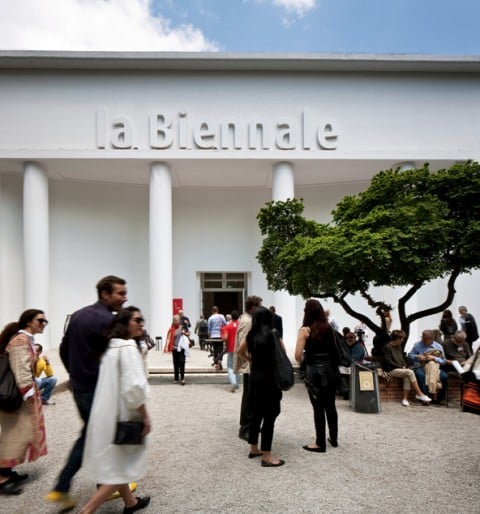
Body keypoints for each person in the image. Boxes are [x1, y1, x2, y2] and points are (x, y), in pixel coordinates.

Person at [46, 275, 129, 510]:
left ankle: (108, 484)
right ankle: (63, 487)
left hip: (80, 387)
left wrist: (75, 373)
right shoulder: (109, 321)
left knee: (95, 435)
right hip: (98, 390)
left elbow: (63, 348)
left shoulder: (79, 315)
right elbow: (115, 359)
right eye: (120, 293)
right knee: (94, 436)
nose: (124, 297)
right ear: (105, 294)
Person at [80, 307, 151, 514]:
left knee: (117, 462)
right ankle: (87, 511)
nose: (141, 323)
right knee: (120, 469)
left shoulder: (111, 347)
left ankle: (131, 503)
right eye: (137, 320)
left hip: (105, 414)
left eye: (142, 319)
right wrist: (145, 416)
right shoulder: (128, 348)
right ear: (125, 323)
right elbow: (134, 387)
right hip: (124, 416)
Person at [0, 309, 48, 495]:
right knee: (14, 435)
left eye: (45, 321)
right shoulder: (20, 341)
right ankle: (2, 478)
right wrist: (29, 397)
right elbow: (21, 371)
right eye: (40, 320)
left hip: (21, 397)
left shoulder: (25, 340)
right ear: (28, 321)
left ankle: (7, 471)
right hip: (18, 399)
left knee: (20, 434)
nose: (44, 323)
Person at [238, 306, 284, 467]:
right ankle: (267, 455)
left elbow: (239, 351)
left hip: (255, 378)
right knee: (270, 415)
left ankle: (254, 448)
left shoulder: (251, 335)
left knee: (256, 413)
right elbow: (283, 353)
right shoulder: (273, 334)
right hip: (270, 378)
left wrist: (250, 359)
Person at [295, 299, 339, 453]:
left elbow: (298, 354)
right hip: (330, 370)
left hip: (314, 372)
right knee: (331, 405)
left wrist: (303, 364)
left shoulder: (305, 330)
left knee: (318, 407)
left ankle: (320, 443)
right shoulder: (329, 328)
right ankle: (333, 438)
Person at [233, 295, 262, 441]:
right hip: (249, 365)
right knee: (249, 397)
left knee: (251, 396)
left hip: (250, 364)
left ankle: (250, 424)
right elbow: (242, 346)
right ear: (253, 307)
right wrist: (250, 359)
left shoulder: (248, 319)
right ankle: (245, 427)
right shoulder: (247, 321)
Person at [382, 330, 432, 406]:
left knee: (407, 376)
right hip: (390, 369)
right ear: (398, 338)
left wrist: (404, 365)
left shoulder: (399, 346)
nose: (403, 340)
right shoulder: (387, 347)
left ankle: (405, 399)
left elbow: (402, 358)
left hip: (400, 369)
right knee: (410, 372)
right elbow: (388, 361)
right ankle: (420, 394)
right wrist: (401, 367)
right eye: (402, 338)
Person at [408, 330, 448, 402]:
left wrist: (434, 358)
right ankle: (425, 397)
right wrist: (418, 356)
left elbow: (444, 361)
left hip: (435, 367)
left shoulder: (438, 346)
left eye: (425, 338)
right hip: (421, 366)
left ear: (431, 338)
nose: (422, 339)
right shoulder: (417, 345)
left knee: (444, 376)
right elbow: (410, 355)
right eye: (422, 337)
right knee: (420, 375)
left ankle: (440, 399)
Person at [164, 314, 190, 385]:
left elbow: (188, 334)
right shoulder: (171, 329)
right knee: (176, 363)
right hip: (175, 348)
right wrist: (167, 347)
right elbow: (168, 338)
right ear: (173, 321)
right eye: (175, 320)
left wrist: (184, 333)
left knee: (182, 362)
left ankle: (182, 378)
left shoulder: (182, 327)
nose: (177, 321)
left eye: (178, 320)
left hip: (181, 348)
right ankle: (176, 378)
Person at [222, 310, 240, 392]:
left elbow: (225, 337)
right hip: (239, 348)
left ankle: (233, 382)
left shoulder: (227, 326)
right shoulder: (241, 325)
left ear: (231, 317)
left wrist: (226, 343)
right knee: (237, 365)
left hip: (231, 348)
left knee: (230, 366)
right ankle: (237, 382)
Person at [207, 306, 227, 370]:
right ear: (217, 310)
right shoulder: (221, 316)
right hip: (220, 335)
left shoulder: (210, 318)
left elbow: (209, 329)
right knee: (221, 349)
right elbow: (225, 324)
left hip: (213, 335)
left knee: (215, 349)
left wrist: (209, 337)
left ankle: (216, 364)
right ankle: (220, 361)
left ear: (212, 311)